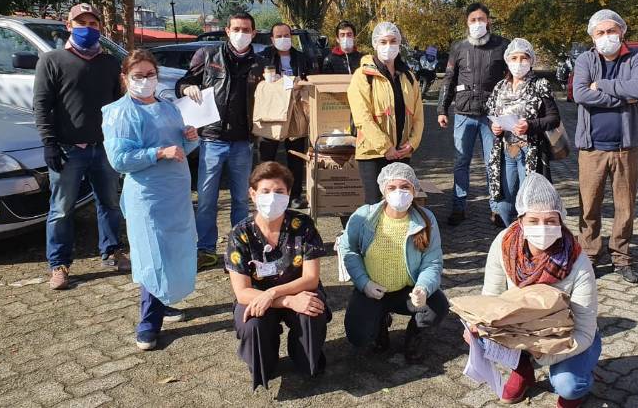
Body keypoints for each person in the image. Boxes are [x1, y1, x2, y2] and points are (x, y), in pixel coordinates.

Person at [473, 173, 599, 407]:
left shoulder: (576, 258)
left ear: (561, 221)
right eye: (533, 220)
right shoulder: (503, 244)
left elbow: (585, 331)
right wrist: (477, 326)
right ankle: (521, 371)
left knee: (568, 385)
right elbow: (489, 299)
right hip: (522, 329)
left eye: (550, 221)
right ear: (520, 221)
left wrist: (539, 358)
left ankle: (575, 383)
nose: (543, 228)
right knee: (478, 336)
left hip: (567, 334)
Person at [101, 50, 199, 350]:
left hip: (176, 193)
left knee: (172, 251)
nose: (146, 81)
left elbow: (182, 148)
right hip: (148, 195)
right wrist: (157, 153)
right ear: (125, 78)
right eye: (138, 76)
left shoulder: (168, 107)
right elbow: (119, 159)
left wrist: (191, 137)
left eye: (150, 75)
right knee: (151, 255)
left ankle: (164, 301)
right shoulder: (121, 112)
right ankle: (148, 323)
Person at [33, 3, 127, 290]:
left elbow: (118, 106)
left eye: (93, 23)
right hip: (68, 149)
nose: (88, 28)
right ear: (69, 25)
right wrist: (49, 142)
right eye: (81, 22)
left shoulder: (110, 63)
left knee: (110, 203)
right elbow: (41, 105)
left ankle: (112, 251)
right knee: (61, 209)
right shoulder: (52, 60)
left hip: (104, 148)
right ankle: (59, 264)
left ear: (100, 27)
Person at [225, 162, 330, 389]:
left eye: (279, 192)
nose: (272, 197)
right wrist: (287, 300)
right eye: (265, 191)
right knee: (252, 322)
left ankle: (306, 360)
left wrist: (273, 293)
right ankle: (265, 363)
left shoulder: (303, 225)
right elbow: (242, 291)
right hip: (257, 296)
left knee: (312, 310)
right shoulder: (239, 234)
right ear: (253, 194)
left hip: (298, 289)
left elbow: (311, 278)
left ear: (288, 194)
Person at [177, 13, 266, 271]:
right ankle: (205, 249)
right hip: (212, 140)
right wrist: (186, 89)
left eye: (246, 29)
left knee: (240, 199)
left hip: (243, 142)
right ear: (227, 30)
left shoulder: (260, 63)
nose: (241, 33)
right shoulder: (207, 56)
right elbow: (183, 83)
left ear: (253, 31)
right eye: (236, 28)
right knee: (207, 199)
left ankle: (239, 250)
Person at [338, 163, 447, 363]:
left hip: (407, 290)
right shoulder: (365, 216)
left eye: (405, 187)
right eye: (392, 187)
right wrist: (364, 283)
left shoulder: (426, 219)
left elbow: (432, 262)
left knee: (437, 307)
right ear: (383, 190)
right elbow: (348, 250)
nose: (399, 192)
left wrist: (423, 288)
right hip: (372, 290)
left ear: (414, 189)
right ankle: (379, 322)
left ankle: (415, 336)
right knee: (358, 336)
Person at [572, 9, 638, 284]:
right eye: (600, 33)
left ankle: (621, 256)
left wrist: (601, 85)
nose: (607, 37)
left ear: (622, 32)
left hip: (625, 148)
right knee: (589, 206)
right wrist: (620, 96)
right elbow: (579, 93)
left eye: (611, 31)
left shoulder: (637, 57)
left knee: (625, 207)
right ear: (593, 37)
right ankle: (590, 256)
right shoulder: (585, 59)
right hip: (592, 149)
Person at [437, 2, 510, 227]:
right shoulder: (459, 48)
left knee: (493, 163)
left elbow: (512, 78)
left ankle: (496, 209)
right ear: (467, 23)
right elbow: (449, 78)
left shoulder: (502, 45)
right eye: (473, 20)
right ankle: (459, 207)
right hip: (463, 114)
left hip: (492, 115)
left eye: (481, 19)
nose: (477, 23)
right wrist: (442, 108)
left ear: (488, 21)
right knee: (461, 162)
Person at [486, 38, 561, 227]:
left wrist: (530, 124)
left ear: (531, 60)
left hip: (530, 151)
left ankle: (529, 235)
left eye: (523, 58)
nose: (518, 63)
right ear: (507, 60)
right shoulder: (500, 87)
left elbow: (553, 118)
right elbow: (492, 116)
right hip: (505, 151)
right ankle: (506, 234)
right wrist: (493, 127)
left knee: (530, 195)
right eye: (514, 58)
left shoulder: (540, 84)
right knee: (505, 194)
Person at [348, 22, 424, 205]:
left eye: (393, 41)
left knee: (399, 204)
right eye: (383, 41)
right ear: (375, 44)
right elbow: (362, 117)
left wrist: (412, 144)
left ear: (399, 44)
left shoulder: (408, 76)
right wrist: (385, 147)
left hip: (401, 152)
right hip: (372, 153)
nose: (388, 46)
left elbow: (419, 116)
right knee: (375, 205)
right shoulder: (362, 75)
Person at [258, 23, 311, 209]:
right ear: (272, 39)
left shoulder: (302, 58)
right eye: (279, 36)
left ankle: (295, 195)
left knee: (295, 156)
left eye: (286, 35)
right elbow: (261, 83)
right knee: (267, 156)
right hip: (271, 112)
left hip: (295, 111)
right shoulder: (263, 57)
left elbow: (309, 80)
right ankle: (266, 192)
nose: (283, 39)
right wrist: (288, 83)